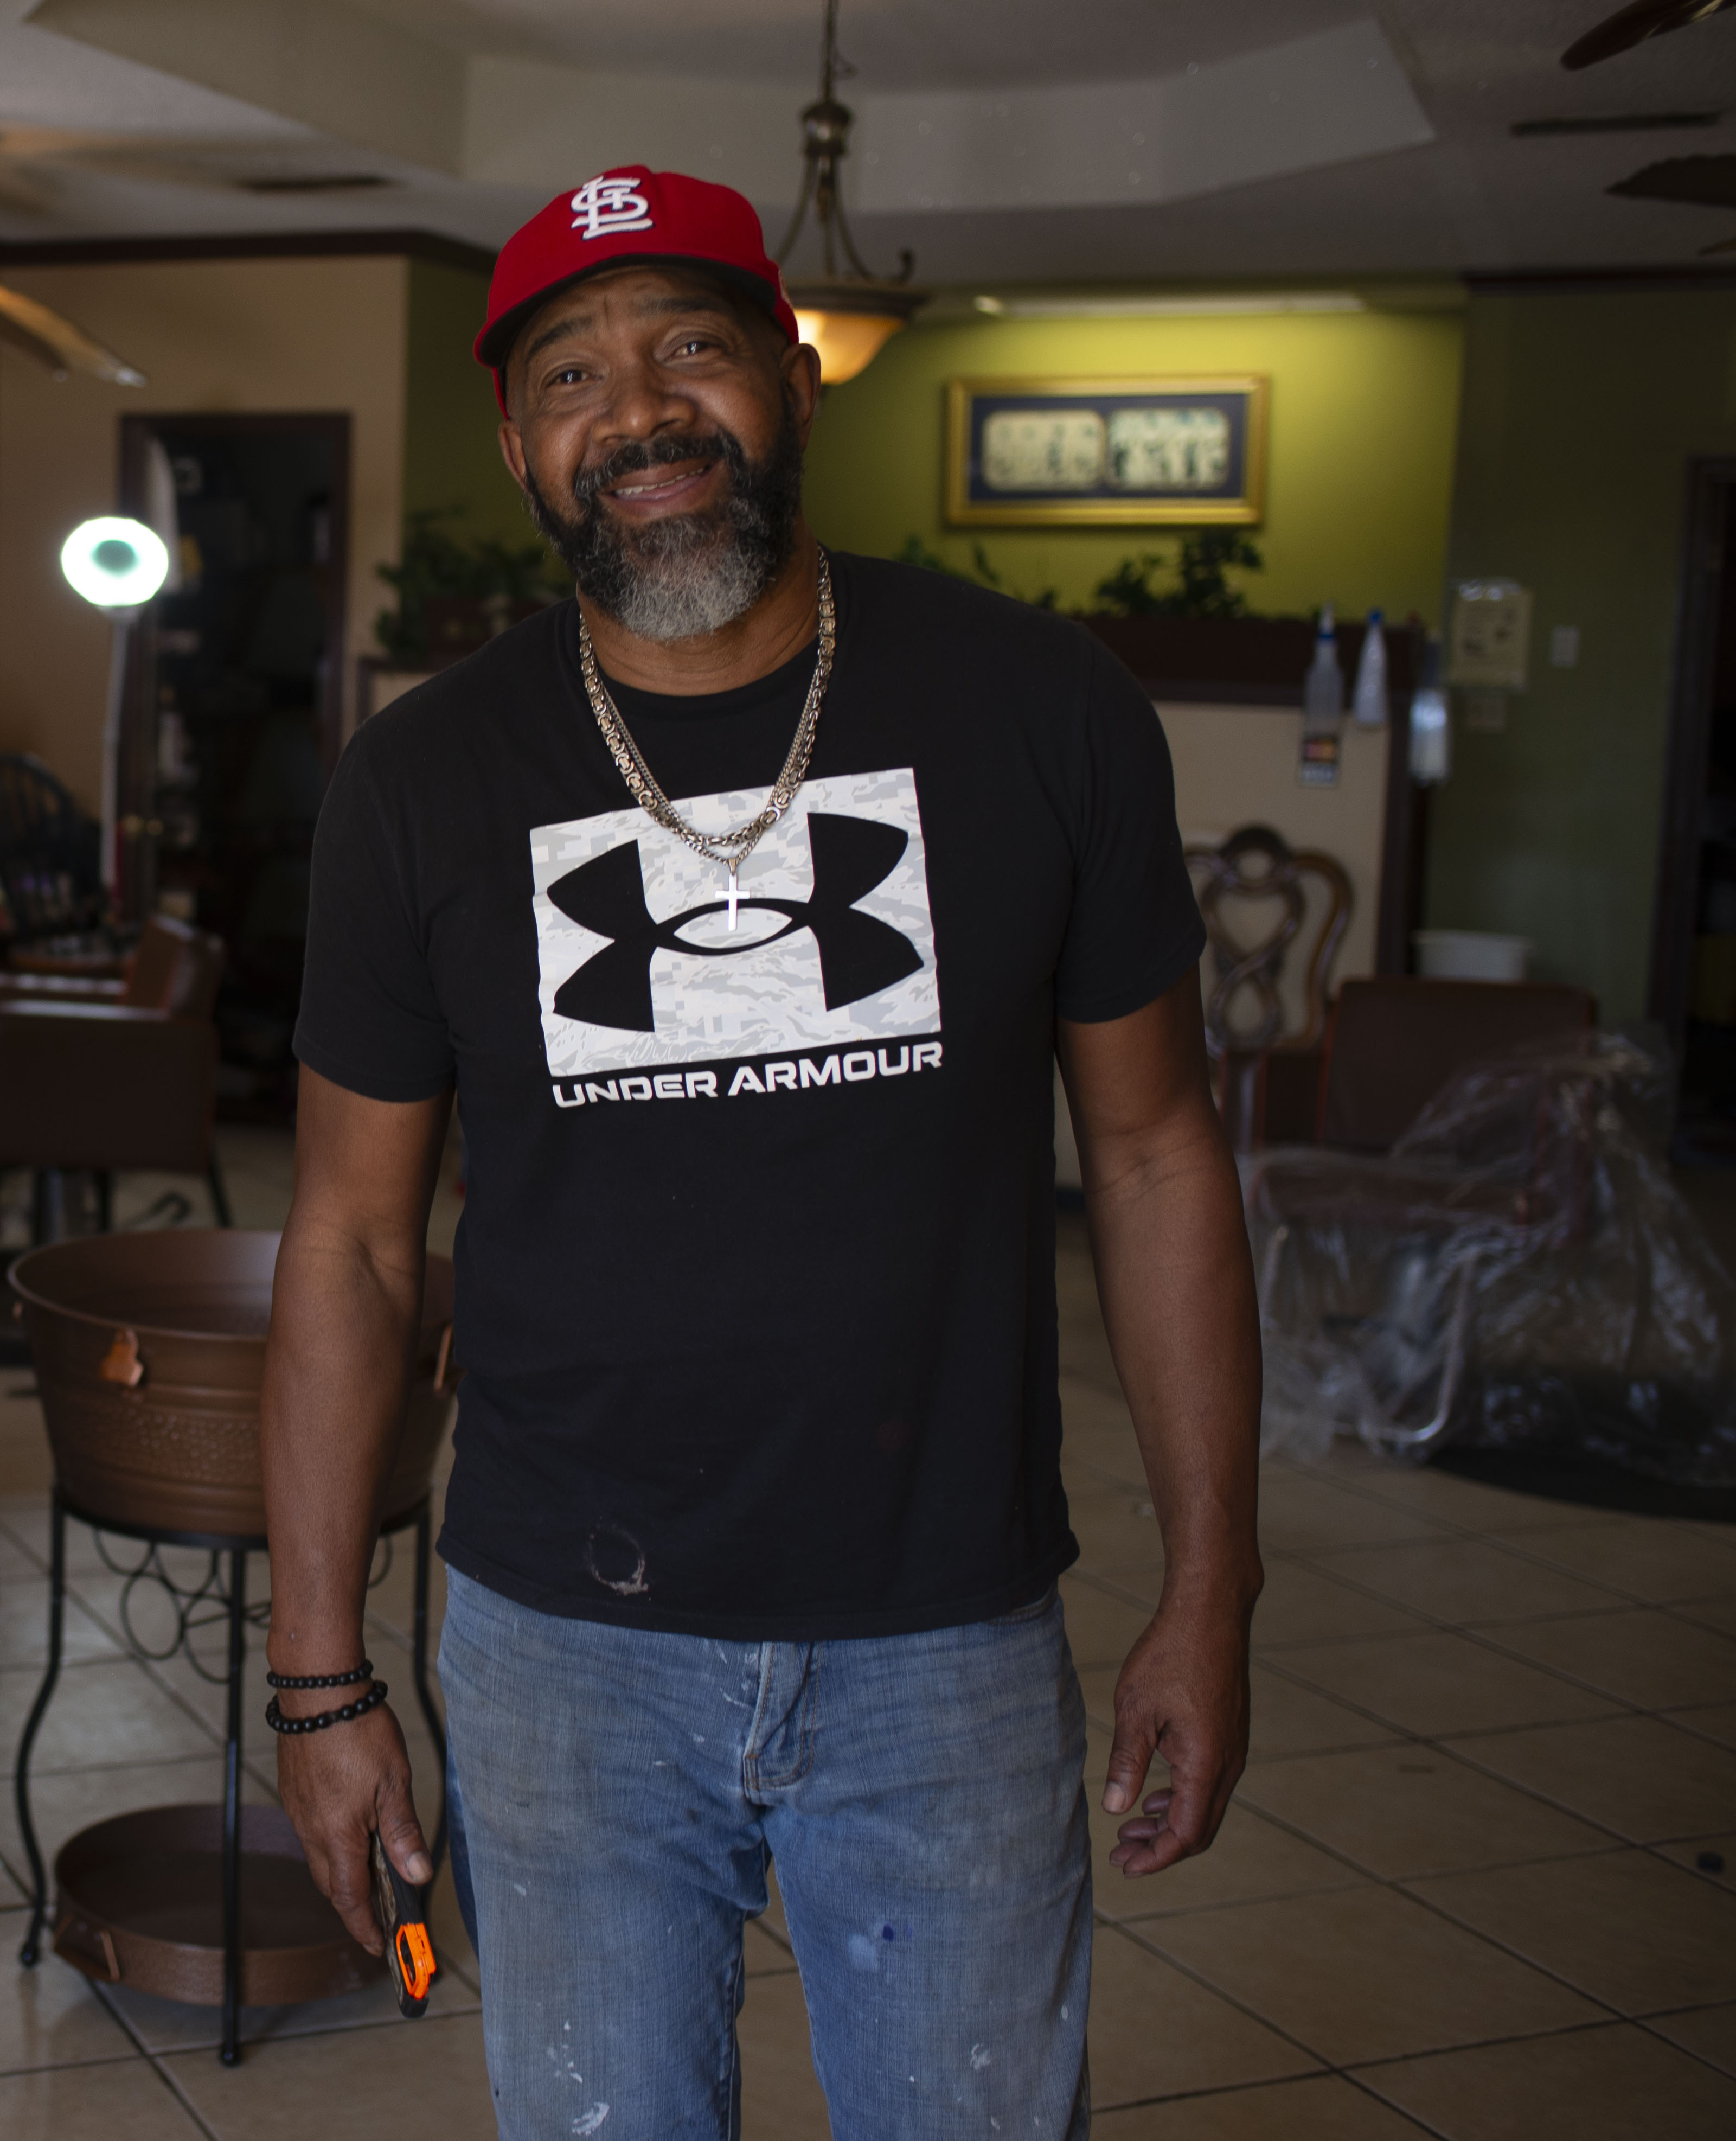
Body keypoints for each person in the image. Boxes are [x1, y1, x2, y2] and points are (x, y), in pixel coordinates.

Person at [261, 165, 1260, 2140]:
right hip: (563, 1653)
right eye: (571, 375)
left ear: (795, 380)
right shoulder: (426, 781)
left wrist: (1214, 1589)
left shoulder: (1040, 708)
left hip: (947, 1639)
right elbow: (353, 1246)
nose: (634, 413)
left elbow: (1153, 1159)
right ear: (519, 443)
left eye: (689, 348)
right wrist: (319, 1681)